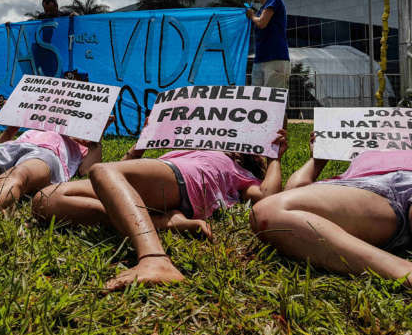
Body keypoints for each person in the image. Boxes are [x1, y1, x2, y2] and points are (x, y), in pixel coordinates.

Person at [32, 129, 287, 290]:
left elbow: (266, 196)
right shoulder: (188, 148)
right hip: (157, 180)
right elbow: (111, 182)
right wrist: (139, 147)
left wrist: (274, 158)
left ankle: (155, 259)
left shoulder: (239, 170)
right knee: (45, 199)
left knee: (102, 170)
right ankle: (163, 222)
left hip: (183, 180)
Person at [250, 134, 412, 287]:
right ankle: (403, 271)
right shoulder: (367, 144)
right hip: (364, 188)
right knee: (267, 212)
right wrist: (318, 158)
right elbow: (294, 190)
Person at [245, 0, 290, 88]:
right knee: (256, 99)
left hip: (275, 58)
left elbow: (262, 23)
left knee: (273, 99)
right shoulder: (261, 9)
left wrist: (252, 16)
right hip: (260, 58)